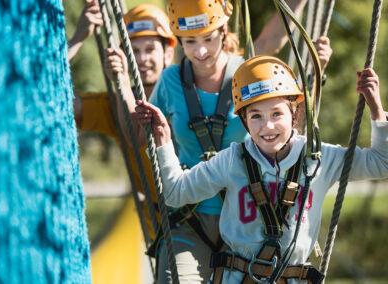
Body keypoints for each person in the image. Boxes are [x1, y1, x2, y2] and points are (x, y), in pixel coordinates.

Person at [105, 0, 333, 282]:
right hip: (190, 217)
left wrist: (312, 75)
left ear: (224, 32)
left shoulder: (246, 73)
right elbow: (138, 136)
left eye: (208, 39)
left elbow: (288, 129)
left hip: (248, 219)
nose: (200, 51)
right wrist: (123, 83)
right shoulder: (170, 81)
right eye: (189, 42)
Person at [135, 55, 388, 284]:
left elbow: (381, 164)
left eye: (277, 114)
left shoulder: (318, 158)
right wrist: (163, 142)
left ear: (294, 113)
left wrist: (375, 108)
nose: (267, 126)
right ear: (243, 120)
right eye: (255, 116)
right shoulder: (232, 160)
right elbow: (177, 193)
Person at [69, 3, 177, 239]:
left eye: (150, 49)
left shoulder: (188, 97)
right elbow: (53, 98)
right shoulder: (115, 106)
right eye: (134, 51)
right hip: (161, 232)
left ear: (168, 54)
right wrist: (78, 38)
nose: (142, 59)